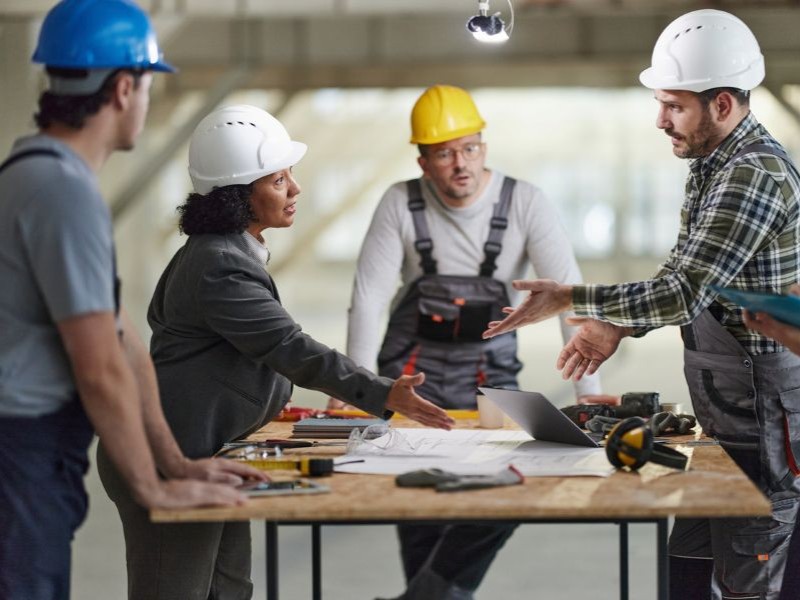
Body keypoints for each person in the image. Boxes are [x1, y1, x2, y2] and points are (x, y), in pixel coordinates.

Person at [484, 9, 800, 600]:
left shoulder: (753, 175)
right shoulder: (713, 164)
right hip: (724, 417)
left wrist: (576, 300)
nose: (659, 120)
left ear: (724, 104)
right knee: (684, 566)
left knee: (751, 579)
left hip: (763, 417)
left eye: (674, 105)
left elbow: (684, 292)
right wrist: (615, 328)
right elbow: (683, 272)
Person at [97, 104, 454, 600]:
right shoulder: (219, 265)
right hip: (171, 456)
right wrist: (380, 392)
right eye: (279, 179)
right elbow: (288, 347)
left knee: (230, 591)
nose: (296, 189)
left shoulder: (224, 252)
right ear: (240, 196)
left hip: (210, 453)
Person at [0, 2, 263, 599]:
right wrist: (151, 488)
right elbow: (98, 366)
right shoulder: (59, 190)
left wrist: (175, 463)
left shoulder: (43, 175)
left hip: (37, 450)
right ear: (124, 88)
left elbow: (125, 344)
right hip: (20, 450)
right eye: (147, 85)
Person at [331, 85, 608, 599]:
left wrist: (586, 392)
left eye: (469, 148)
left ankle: (426, 595)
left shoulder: (525, 202)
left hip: (490, 375)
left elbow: (568, 297)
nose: (460, 164)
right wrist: (357, 389)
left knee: (507, 486)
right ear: (423, 160)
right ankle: (430, 593)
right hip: (414, 375)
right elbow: (367, 298)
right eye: (444, 153)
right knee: (418, 499)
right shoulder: (399, 202)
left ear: (484, 145)